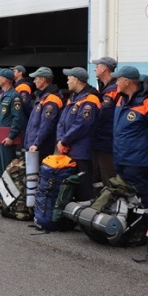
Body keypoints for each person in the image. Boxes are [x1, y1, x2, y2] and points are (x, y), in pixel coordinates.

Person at [111, 66, 148, 208]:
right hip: (121, 157)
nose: (116, 83)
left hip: (137, 160)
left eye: (118, 79)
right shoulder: (121, 101)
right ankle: (132, 223)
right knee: (125, 193)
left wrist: (146, 151)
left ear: (127, 81)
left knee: (143, 192)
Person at [56, 67, 101, 203]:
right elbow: (62, 121)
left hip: (82, 151)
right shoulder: (73, 98)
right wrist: (60, 140)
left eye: (69, 79)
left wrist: (64, 141)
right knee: (70, 186)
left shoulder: (90, 99)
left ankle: (84, 218)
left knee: (83, 187)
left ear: (76, 80)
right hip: (69, 149)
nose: (67, 82)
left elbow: (82, 124)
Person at [0, 69, 27, 203]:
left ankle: (8, 197)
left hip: (6, 137)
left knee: (6, 168)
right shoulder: (3, 95)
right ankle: (0, 195)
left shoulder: (14, 96)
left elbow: (17, 118)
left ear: (5, 79)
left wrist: (11, 136)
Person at [91, 56, 119, 192]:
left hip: (107, 141)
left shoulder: (113, 89)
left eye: (98, 65)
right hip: (100, 140)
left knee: (108, 176)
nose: (95, 68)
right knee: (98, 176)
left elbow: (104, 115)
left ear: (104, 68)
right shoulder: (104, 88)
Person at [24, 66, 63, 160]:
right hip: (34, 144)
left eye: (36, 79)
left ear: (42, 80)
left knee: (36, 173)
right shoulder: (42, 97)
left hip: (40, 147)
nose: (34, 81)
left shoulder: (51, 99)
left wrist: (37, 144)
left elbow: (46, 125)